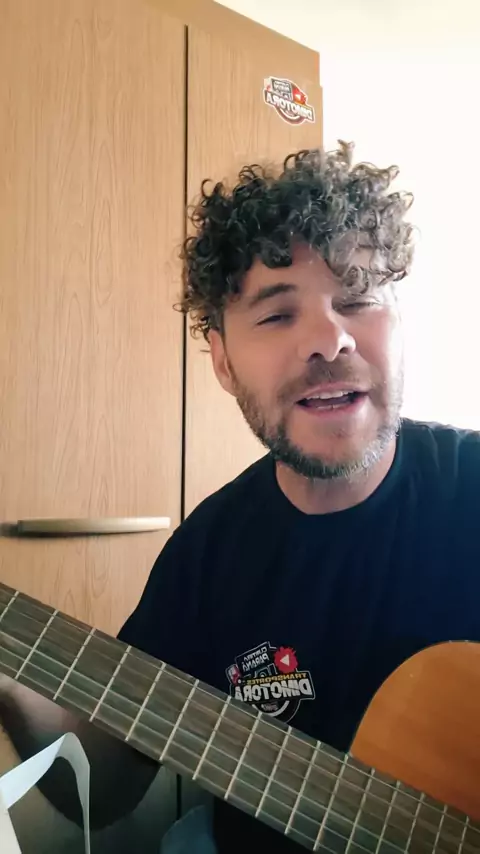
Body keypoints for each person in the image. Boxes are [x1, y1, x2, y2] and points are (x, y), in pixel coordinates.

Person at [2, 141, 480, 853]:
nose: (329, 340)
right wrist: (12, 686)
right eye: (278, 315)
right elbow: (108, 784)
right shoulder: (209, 552)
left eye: (357, 299)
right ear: (223, 360)